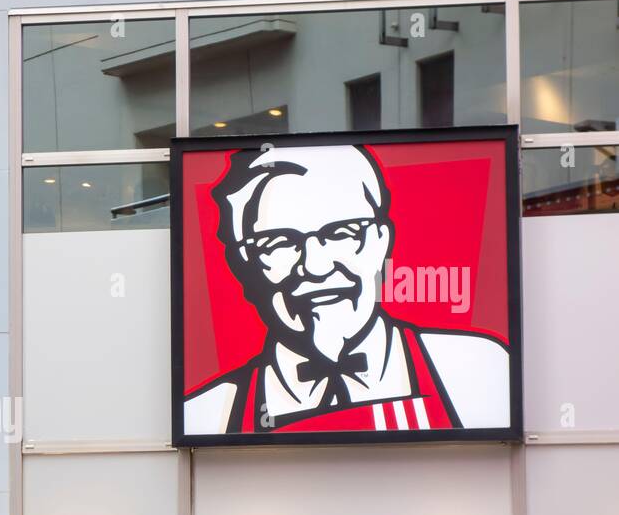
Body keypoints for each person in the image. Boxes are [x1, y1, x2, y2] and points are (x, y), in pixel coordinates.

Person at [183, 144, 510, 435]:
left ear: (382, 242)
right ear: (243, 264)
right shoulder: (209, 413)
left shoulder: (477, 369)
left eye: (342, 233)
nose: (316, 267)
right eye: (279, 242)